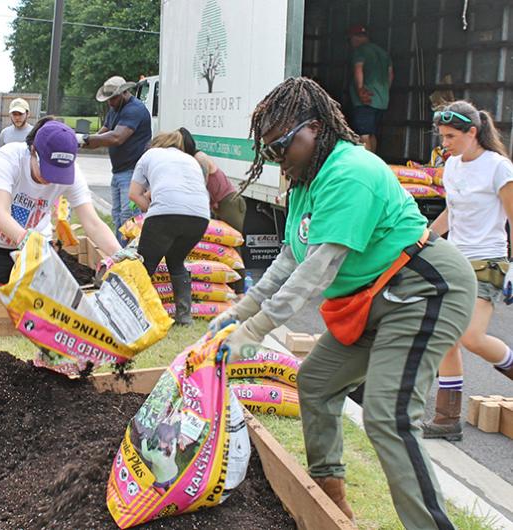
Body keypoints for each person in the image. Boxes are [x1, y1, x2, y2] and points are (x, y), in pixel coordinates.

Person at [211, 77, 475, 528]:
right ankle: (331, 504)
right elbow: (291, 255)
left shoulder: (350, 172)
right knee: (315, 382)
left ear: (315, 128)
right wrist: (240, 310)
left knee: (388, 416)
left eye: (283, 146)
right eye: (269, 150)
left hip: (422, 289)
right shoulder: (305, 181)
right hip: (368, 300)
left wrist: (254, 333)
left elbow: (319, 267)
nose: (277, 158)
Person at [0, 117, 121, 380]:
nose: (50, 181)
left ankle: (52, 389)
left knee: (52, 329)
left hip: (33, 249)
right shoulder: (8, 158)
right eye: (47, 169)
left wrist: (121, 258)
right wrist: (25, 240)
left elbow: (93, 223)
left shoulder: (71, 174)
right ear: (33, 151)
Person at [421, 101, 513, 441]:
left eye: (451, 136)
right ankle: (447, 420)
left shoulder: (498, 168)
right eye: (442, 136)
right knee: (445, 336)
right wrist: (426, 238)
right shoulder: (453, 167)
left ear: (473, 132)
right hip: (454, 261)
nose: (444, 143)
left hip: (487, 262)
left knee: (471, 337)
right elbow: (452, 212)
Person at [128, 131, 210, 325]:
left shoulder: (149, 155)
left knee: (145, 266)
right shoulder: (189, 160)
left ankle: (135, 316)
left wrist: (151, 210)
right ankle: (184, 316)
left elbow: (134, 194)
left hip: (165, 214)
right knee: (176, 261)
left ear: (156, 143)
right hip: (199, 216)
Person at [78, 75, 152, 245]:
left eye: (113, 98)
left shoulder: (134, 109)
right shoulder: (115, 110)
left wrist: (88, 140)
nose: (110, 103)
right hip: (119, 171)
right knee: (118, 215)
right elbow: (104, 133)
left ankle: (128, 257)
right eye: (108, 99)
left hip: (133, 172)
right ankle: (118, 253)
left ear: (125, 93)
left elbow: (117, 137)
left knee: (128, 218)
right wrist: (82, 141)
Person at [178, 127, 247, 232]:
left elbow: (202, 185)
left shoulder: (199, 158)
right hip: (220, 203)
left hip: (229, 202)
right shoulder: (192, 159)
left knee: (232, 242)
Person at [348, 25, 393, 153]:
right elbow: (390, 74)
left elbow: (358, 69)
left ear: (356, 38)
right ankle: (374, 160)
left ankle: (366, 164)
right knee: (372, 133)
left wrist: (361, 89)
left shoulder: (360, 51)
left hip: (366, 100)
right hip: (382, 101)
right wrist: (384, 92)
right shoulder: (383, 53)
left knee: (364, 134)